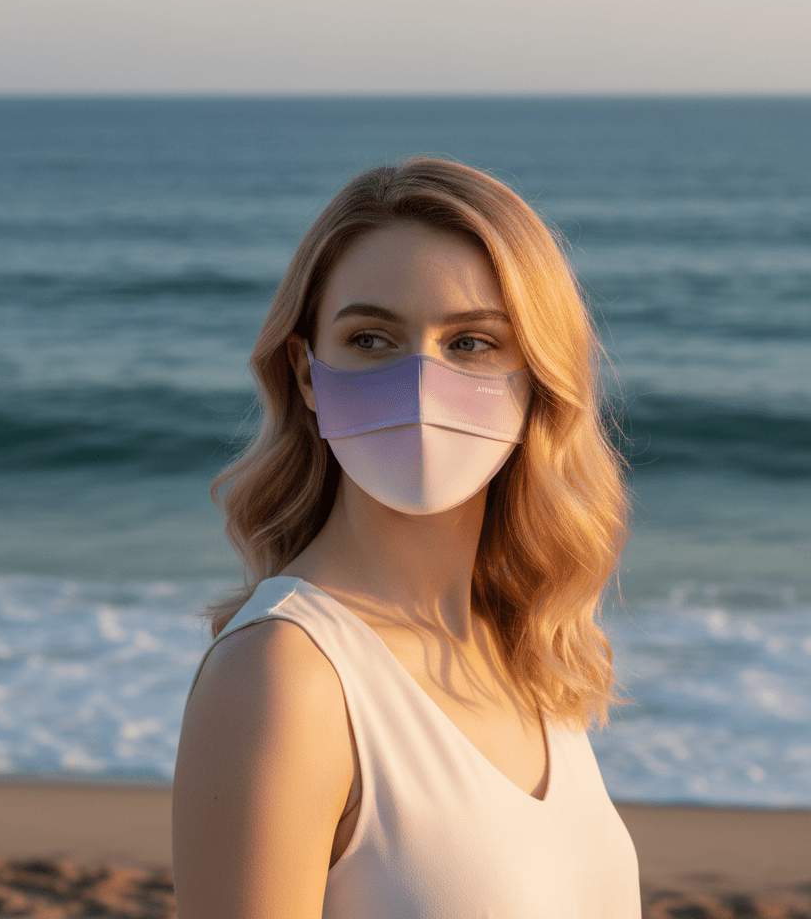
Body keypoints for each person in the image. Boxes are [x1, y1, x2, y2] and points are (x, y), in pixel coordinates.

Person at [172, 158, 641, 918]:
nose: (420, 383)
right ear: (308, 376)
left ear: (536, 378)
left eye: (471, 344)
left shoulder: (522, 646)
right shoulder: (284, 676)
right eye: (371, 339)